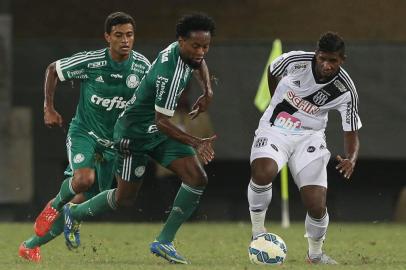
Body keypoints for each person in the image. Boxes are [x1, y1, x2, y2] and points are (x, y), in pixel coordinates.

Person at [59, 13, 216, 265]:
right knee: (124, 199)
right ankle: (74, 211)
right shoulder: (169, 73)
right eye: (196, 46)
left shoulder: (185, 52)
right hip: (132, 135)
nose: (201, 51)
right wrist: (196, 142)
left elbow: (198, 62)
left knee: (197, 178)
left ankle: (164, 241)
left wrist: (207, 89)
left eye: (205, 46)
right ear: (181, 41)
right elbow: (162, 122)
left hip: (153, 131)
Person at [19, 12, 151, 262]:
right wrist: (48, 107)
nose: (125, 40)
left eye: (130, 35)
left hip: (114, 144)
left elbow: (151, 98)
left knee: (87, 202)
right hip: (85, 133)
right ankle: (56, 205)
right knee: (83, 180)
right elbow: (53, 70)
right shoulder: (92, 62)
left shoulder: (142, 67)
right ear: (107, 37)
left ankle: (30, 245)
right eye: (119, 35)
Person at [248, 32, 361, 265]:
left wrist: (351, 157)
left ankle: (316, 255)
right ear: (316, 54)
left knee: (316, 204)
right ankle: (258, 233)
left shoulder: (346, 89)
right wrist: (274, 102)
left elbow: (351, 131)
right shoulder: (295, 60)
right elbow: (272, 69)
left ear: (343, 60)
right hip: (276, 126)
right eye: (323, 59)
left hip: (310, 136)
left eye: (333, 61)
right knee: (263, 172)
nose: (326, 65)